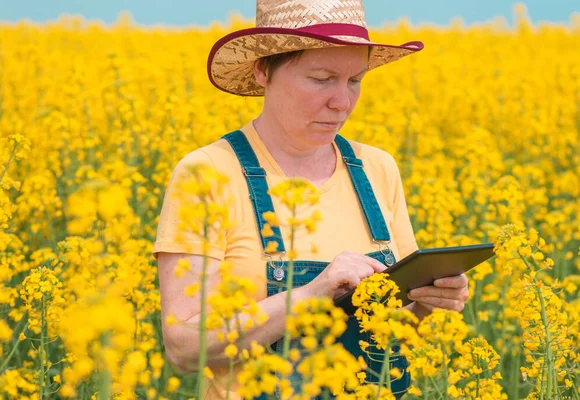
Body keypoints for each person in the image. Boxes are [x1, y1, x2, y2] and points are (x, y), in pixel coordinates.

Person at [153, 0, 469, 399]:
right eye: (322, 78)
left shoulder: (377, 169)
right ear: (263, 69)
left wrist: (427, 305)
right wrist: (307, 296)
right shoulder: (207, 174)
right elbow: (184, 349)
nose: (343, 102)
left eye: (355, 80)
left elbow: (389, 339)